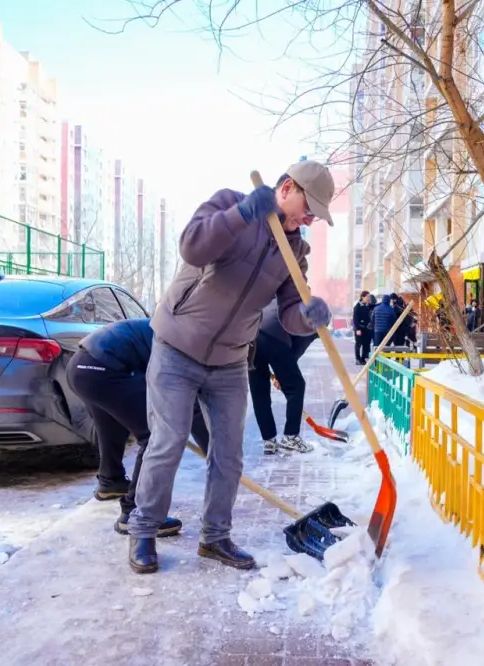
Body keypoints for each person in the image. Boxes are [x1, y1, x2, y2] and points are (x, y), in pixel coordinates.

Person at [127, 161, 336, 575]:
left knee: (229, 454)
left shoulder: (294, 252)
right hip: (176, 347)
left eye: (316, 214)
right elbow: (192, 247)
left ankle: (215, 537)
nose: (310, 219)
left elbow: (289, 312)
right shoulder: (230, 204)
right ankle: (144, 529)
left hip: (229, 361)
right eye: (309, 208)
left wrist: (308, 316)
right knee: (168, 441)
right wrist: (242, 215)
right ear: (287, 188)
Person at [65, 318, 210, 537]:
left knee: (112, 426)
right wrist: (215, 454)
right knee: (154, 436)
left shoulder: (174, 328)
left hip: (79, 368)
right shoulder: (187, 347)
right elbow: (193, 407)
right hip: (104, 369)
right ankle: (135, 512)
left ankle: (110, 481)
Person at [249, 300, 318, 455]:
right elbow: (294, 351)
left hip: (250, 338)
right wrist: (282, 376)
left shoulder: (279, 299)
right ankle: (291, 437)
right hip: (274, 337)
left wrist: (280, 374)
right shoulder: (312, 324)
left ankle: (269, 441)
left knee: (259, 392)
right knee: (296, 386)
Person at [352, 291, 372, 365]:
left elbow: (374, 305)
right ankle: (357, 359)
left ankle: (363, 359)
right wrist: (357, 329)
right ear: (362, 297)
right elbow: (355, 319)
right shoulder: (357, 306)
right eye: (367, 296)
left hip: (366, 329)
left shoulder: (367, 306)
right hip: (359, 329)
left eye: (369, 297)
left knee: (366, 344)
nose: (369, 298)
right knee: (358, 344)